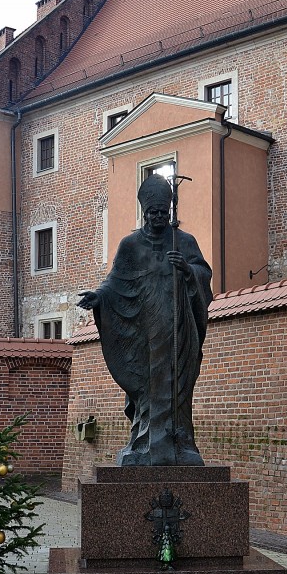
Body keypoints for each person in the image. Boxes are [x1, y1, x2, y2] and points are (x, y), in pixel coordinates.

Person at [78, 174, 213, 466]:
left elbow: (204, 274)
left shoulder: (183, 241)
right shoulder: (131, 245)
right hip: (143, 329)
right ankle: (143, 444)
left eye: (163, 212)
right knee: (148, 385)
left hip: (178, 327)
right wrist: (99, 297)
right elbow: (115, 281)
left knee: (179, 385)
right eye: (153, 212)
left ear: (170, 211)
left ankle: (180, 444)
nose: (159, 217)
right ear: (144, 212)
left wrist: (187, 269)